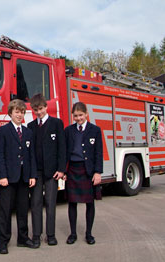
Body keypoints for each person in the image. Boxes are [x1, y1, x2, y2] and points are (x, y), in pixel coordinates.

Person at [0, 99, 37, 254]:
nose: (19, 115)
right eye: (16, 112)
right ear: (10, 113)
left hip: (24, 177)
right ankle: (3, 241)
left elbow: (31, 155)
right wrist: (2, 176)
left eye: (21, 112)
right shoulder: (3, 131)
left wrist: (32, 175)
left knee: (22, 209)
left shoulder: (28, 132)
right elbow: (0, 155)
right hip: (8, 178)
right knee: (5, 210)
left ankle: (23, 238)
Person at [27, 94, 66, 247]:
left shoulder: (57, 124)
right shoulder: (30, 127)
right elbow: (29, 153)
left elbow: (62, 148)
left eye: (41, 109)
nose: (39, 112)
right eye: (36, 110)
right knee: (36, 203)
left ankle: (51, 235)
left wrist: (61, 169)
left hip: (52, 173)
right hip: (36, 173)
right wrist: (31, 173)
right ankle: (36, 235)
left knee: (50, 203)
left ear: (46, 107)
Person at [64, 102, 103, 245]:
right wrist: (64, 170)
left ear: (86, 114)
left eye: (81, 115)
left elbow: (99, 152)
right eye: (75, 116)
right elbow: (64, 152)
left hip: (88, 170)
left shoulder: (95, 130)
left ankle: (89, 234)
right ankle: (73, 233)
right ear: (72, 116)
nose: (78, 118)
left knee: (89, 203)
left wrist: (97, 172)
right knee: (72, 202)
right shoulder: (68, 130)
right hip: (72, 169)